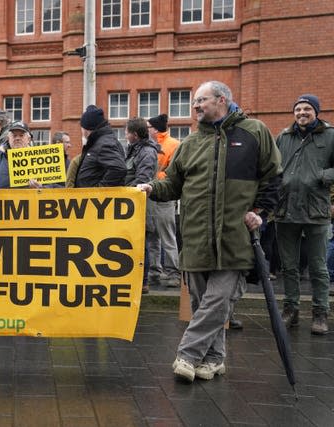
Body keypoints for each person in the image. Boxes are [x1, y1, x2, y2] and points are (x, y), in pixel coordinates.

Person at [137, 81, 282, 382]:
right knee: (204, 305)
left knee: (218, 301)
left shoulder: (254, 132)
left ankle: (187, 355)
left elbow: (274, 179)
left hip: (235, 238)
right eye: (194, 102)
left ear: (222, 100)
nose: (195, 106)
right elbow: (173, 185)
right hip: (196, 239)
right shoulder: (190, 144)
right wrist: (151, 188)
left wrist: (260, 213)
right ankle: (215, 359)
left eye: (201, 100)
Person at [275, 94, 334, 335]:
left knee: (318, 267)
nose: (302, 113)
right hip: (286, 209)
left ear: (316, 112)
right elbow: (272, 167)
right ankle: (291, 310)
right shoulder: (283, 137)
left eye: (307, 109)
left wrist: (322, 176)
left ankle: (320, 313)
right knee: (289, 267)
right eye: (298, 109)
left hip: (316, 209)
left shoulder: (330, 136)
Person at [124, 117, 159, 294]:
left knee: (141, 243)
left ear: (135, 135)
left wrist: (123, 192)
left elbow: (142, 179)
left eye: (127, 132)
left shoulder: (146, 152)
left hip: (141, 204)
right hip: (133, 203)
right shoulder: (135, 150)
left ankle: (143, 282)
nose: (125, 135)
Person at [146, 114, 181, 289]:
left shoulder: (173, 145)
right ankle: (154, 271)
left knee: (167, 235)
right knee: (152, 235)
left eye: (149, 127)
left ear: (155, 129)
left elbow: (174, 172)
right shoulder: (151, 145)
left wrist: (153, 178)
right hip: (152, 194)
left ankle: (174, 272)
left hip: (164, 195)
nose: (147, 130)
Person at [74, 105, 127, 188]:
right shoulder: (100, 142)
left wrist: (100, 190)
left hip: (96, 199)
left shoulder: (103, 144)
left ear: (86, 128)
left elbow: (119, 168)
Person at [0, 121, 33, 188]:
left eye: (21, 135)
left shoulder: (38, 158)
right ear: (8, 138)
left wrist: (40, 188)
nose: (17, 138)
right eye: (14, 135)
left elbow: (51, 185)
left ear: (29, 139)